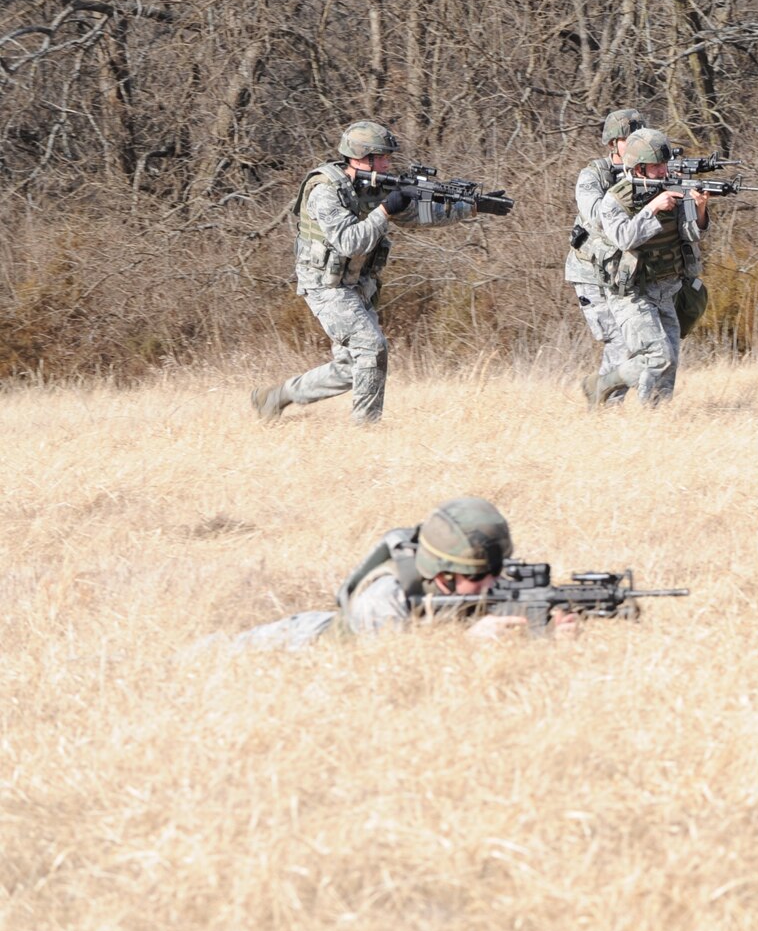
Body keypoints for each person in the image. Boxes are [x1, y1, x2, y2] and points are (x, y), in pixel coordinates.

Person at [251, 120, 477, 425]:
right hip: (325, 285)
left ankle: (274, 398)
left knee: (350, 366)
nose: (389, 163)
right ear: (361, 156)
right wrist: (384, 211)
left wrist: (470, 207)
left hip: (356, 283)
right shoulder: (325, 191)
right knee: (371, 347)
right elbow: (349, 242)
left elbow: (418, 218)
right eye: (383, 157)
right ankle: (366, 430)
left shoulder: (373, 184)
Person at [184, 497, 571, 655]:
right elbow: (385, 673)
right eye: (480, 575)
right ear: (443, 577)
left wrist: (549, 633)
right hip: (297, 647)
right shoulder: (384, 597)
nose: (493, 583)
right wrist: (466, 644)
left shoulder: (482, 582)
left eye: (497, 570)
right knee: (205, 656)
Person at [571, 127, 709, 405]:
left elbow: (691, 234)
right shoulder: (616, 198)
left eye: (664, 164)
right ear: (640, 168)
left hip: (666, 287)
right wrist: (653, 208)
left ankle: (655, 421)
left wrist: (700, 208)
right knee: (656, 357)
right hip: (631, 292)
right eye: (657, 166)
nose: (663, 171)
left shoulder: (670, 187)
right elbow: (624, 237)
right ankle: (601, 385)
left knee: (668, 363)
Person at [567, 108, 648, 404]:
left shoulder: (648, 172)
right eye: (630, 138)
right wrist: (632, 189)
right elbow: (597, 215)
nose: (637, 144)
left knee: (640, 341)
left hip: (625, 273)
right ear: (613, 143)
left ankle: (602, 393)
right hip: (590, 272)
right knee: (619, 339)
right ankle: (606, 406)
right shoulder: (593, 175)